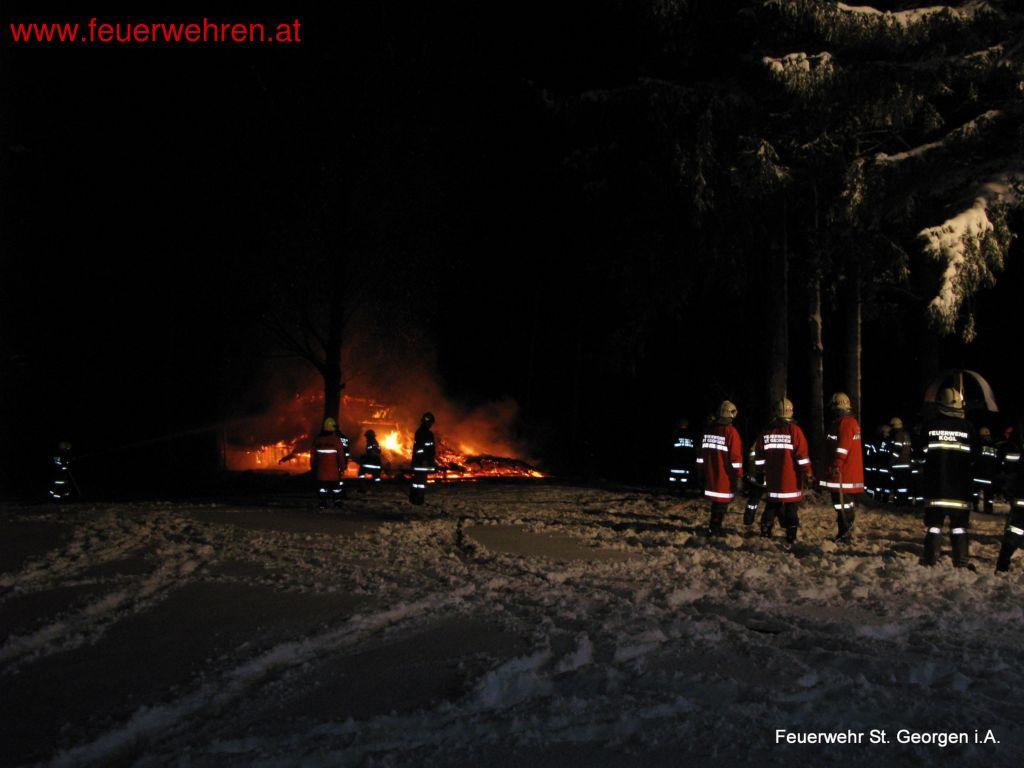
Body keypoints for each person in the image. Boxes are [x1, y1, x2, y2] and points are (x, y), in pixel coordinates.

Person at [920, 388, 976, 568]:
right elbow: (975, 457)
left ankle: (929, 559)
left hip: (936, 487)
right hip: (960, 489)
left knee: (934, 526)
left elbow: (920, 454)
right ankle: (961, 560)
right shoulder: (968, 428)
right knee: (959, 527)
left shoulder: (930, 426)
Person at [758, 398, 814, 543]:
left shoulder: (767, 431)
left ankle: (765, 531)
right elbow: (802, 456)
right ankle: (791, 535)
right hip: (791, 479)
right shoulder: (795, 431)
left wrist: (760, 472)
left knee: (771, 505)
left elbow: (759, 455)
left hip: (772, 478)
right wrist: (808, 473)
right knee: (791, 508)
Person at [820, 392, 865, 542]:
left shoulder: (846, 423)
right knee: (843, 505)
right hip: (844, 473)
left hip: (843, 474)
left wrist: (837, 464)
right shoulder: (844, 423)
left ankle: (845, 532)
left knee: (843, 505)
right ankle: (844, 531)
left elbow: (842, 447)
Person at [698, 400, 743, 536]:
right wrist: (739, 475)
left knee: (717, 504)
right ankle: (714, 529)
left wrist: (701, 471)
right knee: (721, 505)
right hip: (724, 476)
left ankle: (714, 527)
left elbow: (701, 454)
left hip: (709, 474)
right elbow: (735, 458)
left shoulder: (709, 430)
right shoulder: (731, 432)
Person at [313, 417, 349, 508]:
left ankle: (323, 502)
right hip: (334, 471)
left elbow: (313, 455)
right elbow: (341, 455)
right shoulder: (336, 440)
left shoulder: (318, 440)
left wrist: (313, 466)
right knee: (336, 488)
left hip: (321, 471)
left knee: (322, 488)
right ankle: (337, 502)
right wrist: (342, 467)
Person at [410, 412, 436, 505]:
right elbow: (421, 448)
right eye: (430, 423)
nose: (431, 425)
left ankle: (414, 498)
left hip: (419, 461)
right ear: (427, 422)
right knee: (421, 482)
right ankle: (418, 499)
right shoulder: (424, 433)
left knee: (417, 481)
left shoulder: (422, 431)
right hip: (422, 462)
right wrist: (424, 459)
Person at [972, 426, 999, 514]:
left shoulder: (978, 444)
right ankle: (988, 509)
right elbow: (997, 460)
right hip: (990, 475)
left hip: (978, 474)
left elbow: (974, 457)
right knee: (989, 494)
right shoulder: (994, 446)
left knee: (975, 492)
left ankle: (975, 506)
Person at [667, 417, 696, 492]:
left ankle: (672, 489)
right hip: (686, 460)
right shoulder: (690, 435)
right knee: (684, 476)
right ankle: (682, 489)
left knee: (673, 476)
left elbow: (670, 446)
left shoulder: (675, 433)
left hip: (675, 460)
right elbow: (692, 448)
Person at [889, 417, 913, 505]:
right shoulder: (906, 434)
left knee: (900, 484)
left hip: (899, 464)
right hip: (907, 463)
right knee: (905, 484)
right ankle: (906, 501)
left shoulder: (898, 435)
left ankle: (901, 501)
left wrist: (892, 460)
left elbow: (897, 449)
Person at [744, 431, 765, 527]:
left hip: (757, 475)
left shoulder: (761, 439)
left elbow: (751, 455)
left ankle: (748, 519)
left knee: (753, 500)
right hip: (762, 476)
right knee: (775, 502)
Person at [874, 424, 892, 502]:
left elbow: (876, 453)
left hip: (880, 466)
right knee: (886, 485)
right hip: (886, 466)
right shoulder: (890, 441)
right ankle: (885, 499)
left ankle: (878, 498)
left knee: (879, 484)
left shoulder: (879, 441)